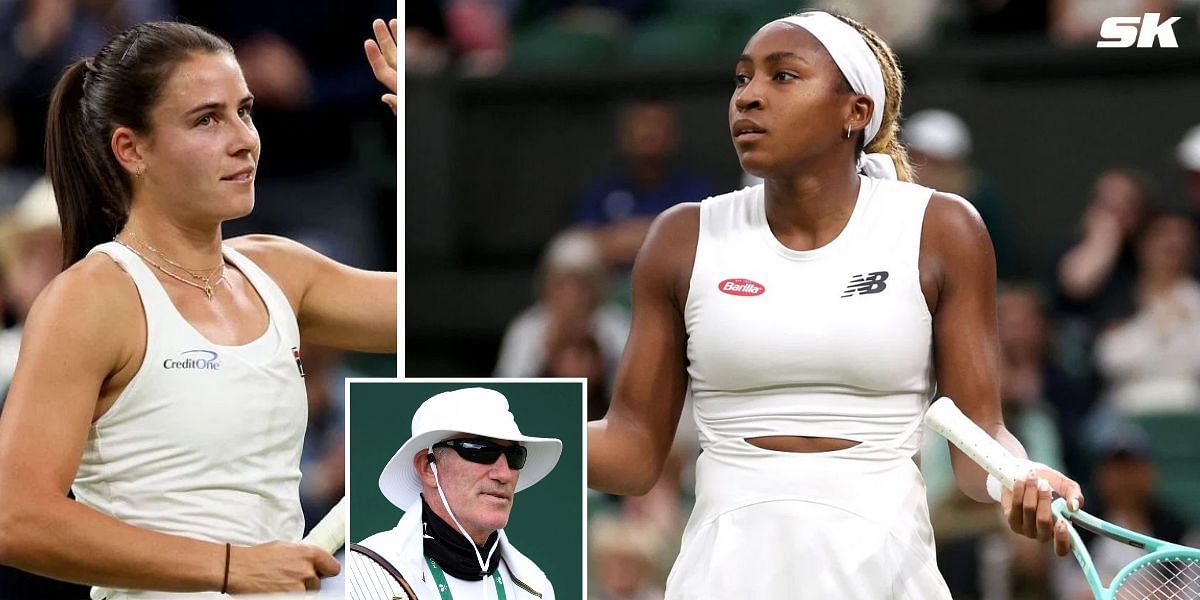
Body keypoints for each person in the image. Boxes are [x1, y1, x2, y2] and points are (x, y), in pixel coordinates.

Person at [586, 10, 1084, 599]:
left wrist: (1018, 478)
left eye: (783, 76)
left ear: (856, 112)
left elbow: (980, 443)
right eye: (742, 79)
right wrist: (521, 430)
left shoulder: (942, 228)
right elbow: (635, 449)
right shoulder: (680, 237)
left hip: (884, 569)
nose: (748, 98)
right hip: (724, 569)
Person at [0, 17, 398, 598]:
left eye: (246, 110)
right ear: (131, 149)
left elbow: (438, 307)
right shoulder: (91, 298)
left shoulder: (279, 271)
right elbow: (15, 516)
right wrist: (232, 566)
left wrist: (428, 134)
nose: (244, 139)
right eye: (207, 118)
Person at [354, 387, 561, 599]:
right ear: (428, 467)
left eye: (514, 455)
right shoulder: (360, 573)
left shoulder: (537, 588)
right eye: (480, 450)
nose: (504, 474)